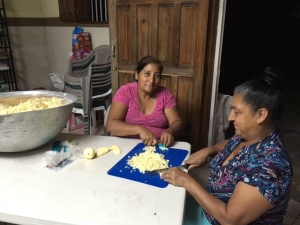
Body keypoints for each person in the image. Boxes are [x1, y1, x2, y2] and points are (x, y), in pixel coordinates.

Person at [161, 67, 293, 224]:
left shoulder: (270, 167)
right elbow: (230, 143)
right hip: (211, 207)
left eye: (237, 112)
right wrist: (207, 151)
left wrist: (187, 182)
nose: (230, 117)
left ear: (260, 115)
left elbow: (230, 220)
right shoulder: (248, 136)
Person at [106, 56, 183, 147]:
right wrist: (139, 129)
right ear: (137, 75)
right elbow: (111, 124)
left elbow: (176, 121)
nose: (151, 80)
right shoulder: (126, 91)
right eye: (147, 74)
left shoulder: (165, 94)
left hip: (159, 146)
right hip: (125, 145)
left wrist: (170, 131)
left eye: (157, 75)